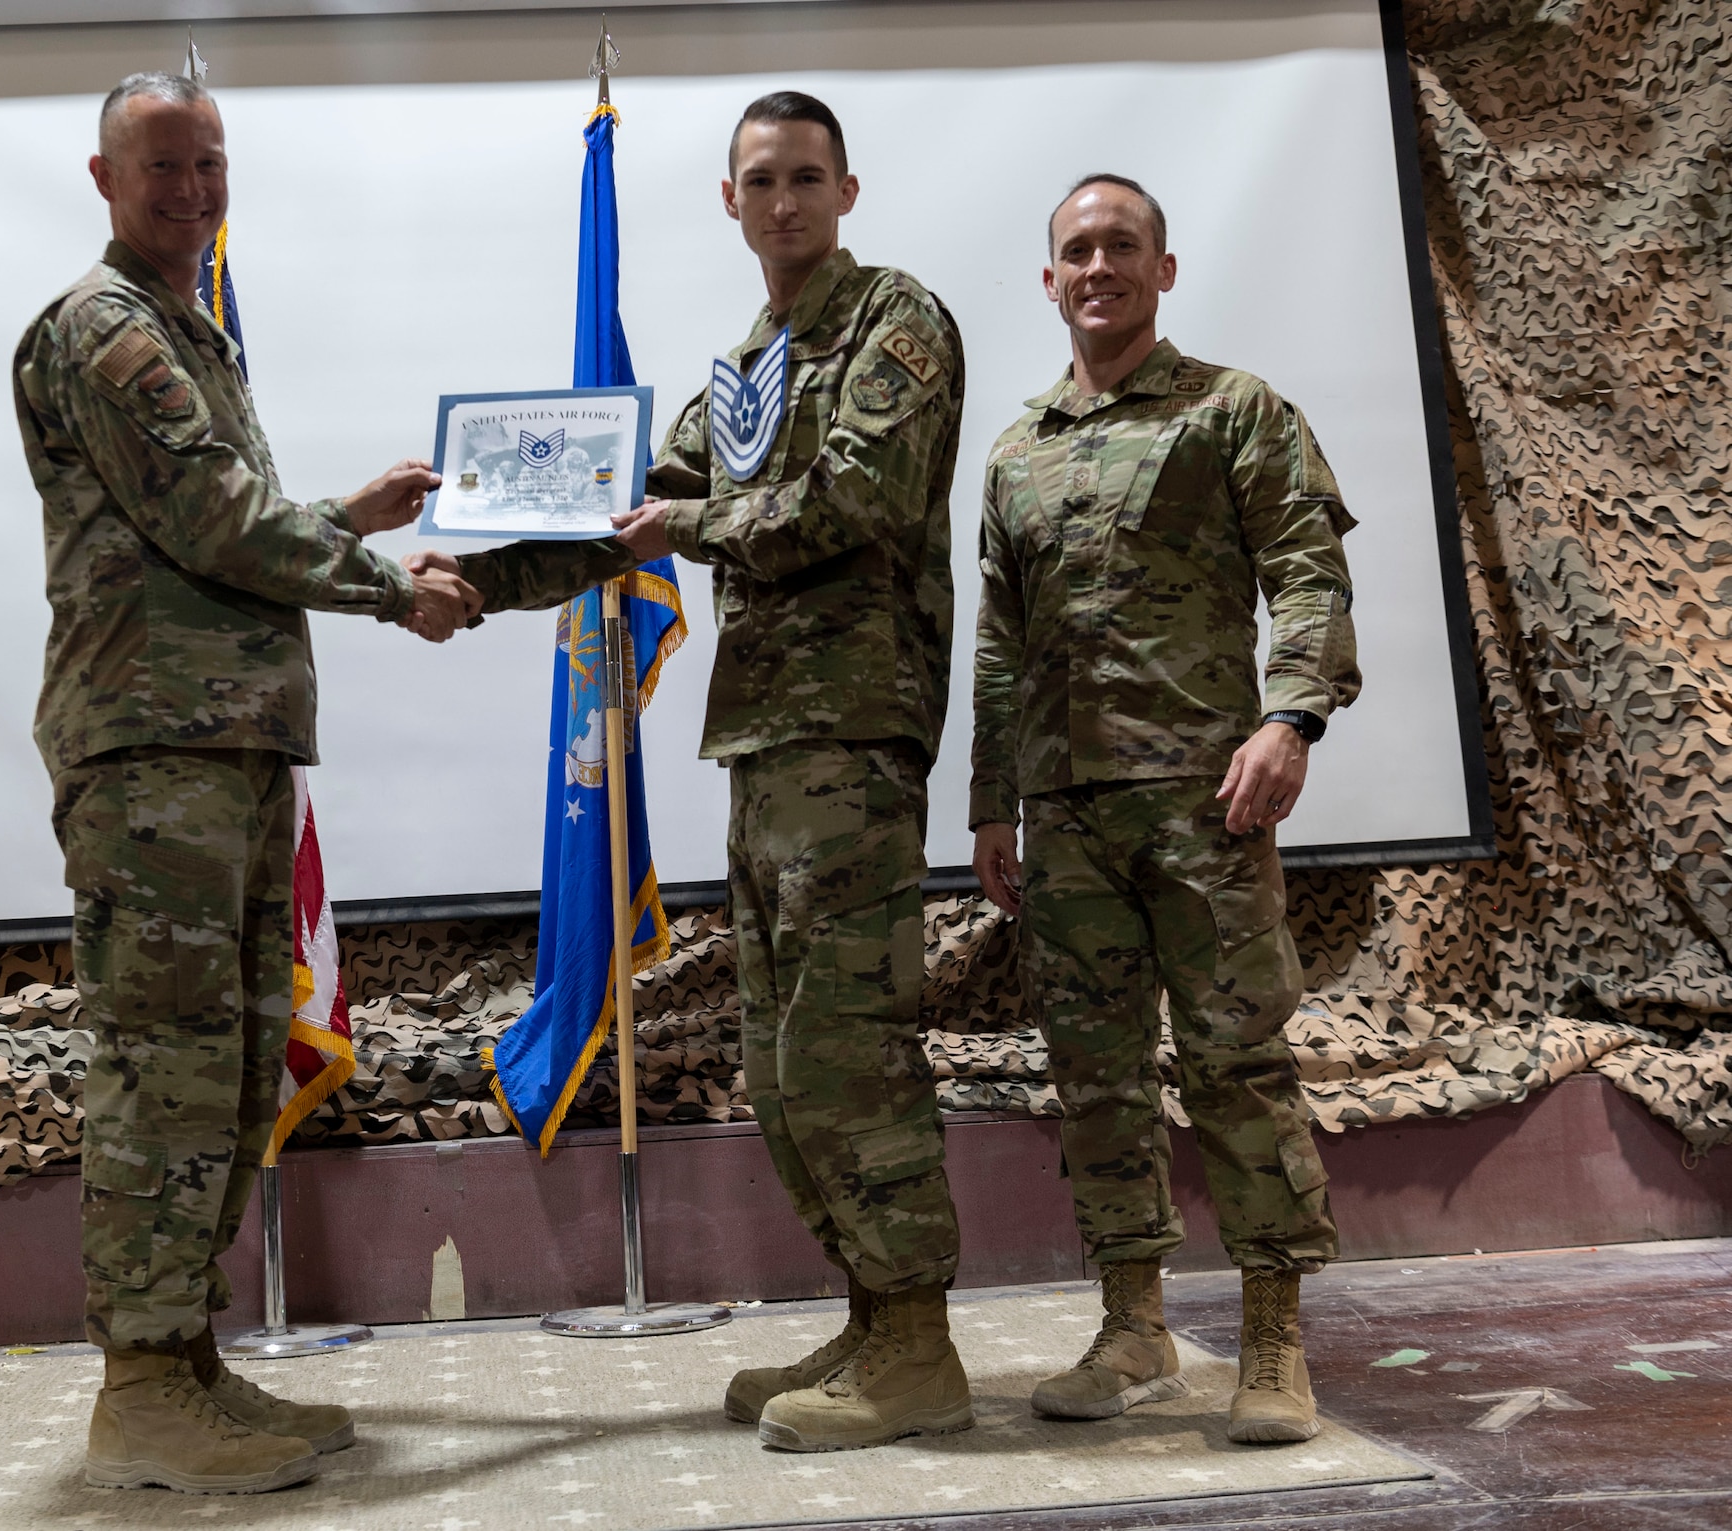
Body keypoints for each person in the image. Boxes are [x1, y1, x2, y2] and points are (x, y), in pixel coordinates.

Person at [415, 91, 970, 1452]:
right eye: (760, 181)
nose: (783, 202)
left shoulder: (895, 320)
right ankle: (870, 1309)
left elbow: (856, 498)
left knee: (848, 1041)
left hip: (853, 729)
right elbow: (618, 520)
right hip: (769, 735)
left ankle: (919, 1344)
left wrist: (686, 519)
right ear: (728, 201)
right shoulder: (740, 369)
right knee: (784, 1055)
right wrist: (475, 574)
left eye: (806, 178)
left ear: (847, 190)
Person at [11, 71, 477, 1495]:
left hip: (223, 749)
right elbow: (215, 519)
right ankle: (141, 1381)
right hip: (155, 760)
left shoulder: (187, 331)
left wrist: (346, 512)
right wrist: (390, 589)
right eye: (163, 166)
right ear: (103, 179)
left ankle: (184, 1358)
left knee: (220, 1062)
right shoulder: (108, 331)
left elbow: (197, 531)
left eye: (210, 164)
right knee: (162, 1069)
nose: (193, 189)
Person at [968, 174, 1360, 1444]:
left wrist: (1289, 718)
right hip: (1066, 814)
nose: (1098, 267)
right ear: (1048, 281)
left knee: (1235, 1062)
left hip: (1206, 804)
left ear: (1162, 269)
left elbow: (1305, 573)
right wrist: (988, 804)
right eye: (1076, 250)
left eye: (1120, 246)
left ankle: (1270, 1342)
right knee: (1093, 1076)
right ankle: (1131, 1326)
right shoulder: (1015, 450)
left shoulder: (1231, 412)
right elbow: (997, 641)